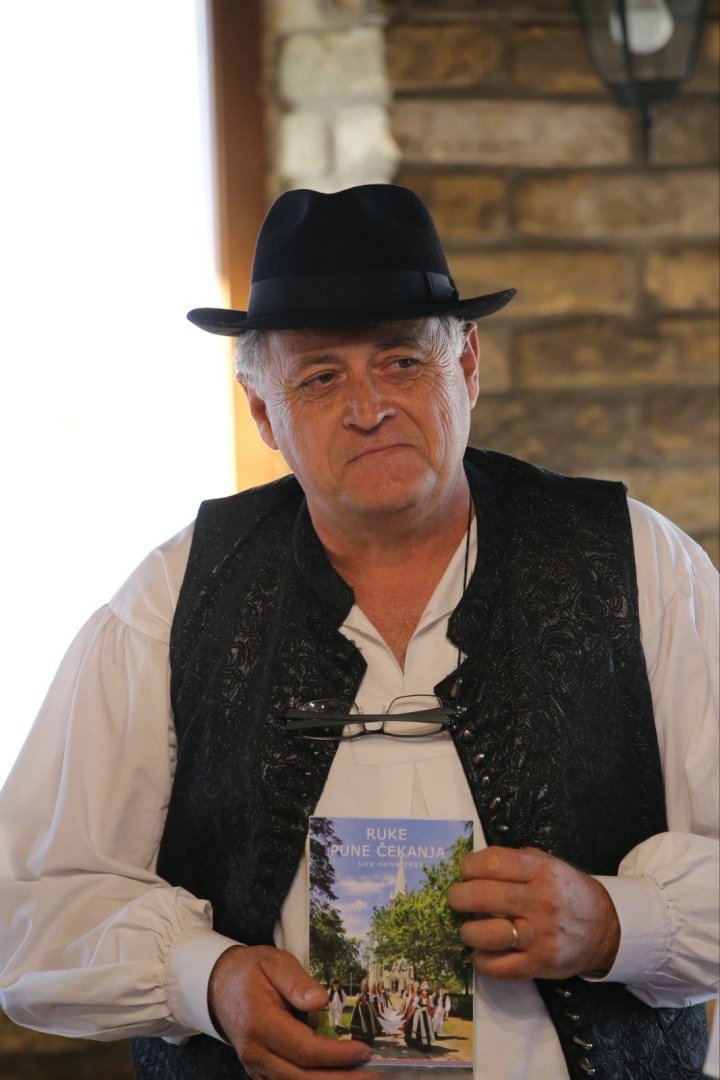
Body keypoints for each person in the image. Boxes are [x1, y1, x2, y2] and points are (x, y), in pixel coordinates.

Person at [0, 183, 717, 1080]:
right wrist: (206, 980)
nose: (369, 406)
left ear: (467, 367)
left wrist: (617, 924)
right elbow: (33, 909)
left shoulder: (638, 564)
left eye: (402, 361)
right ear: (264, 413)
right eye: (320, 377)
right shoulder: (174, 597)